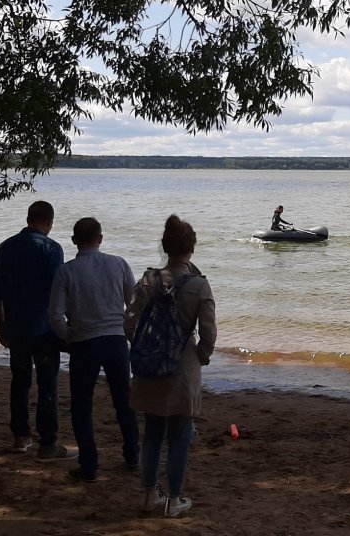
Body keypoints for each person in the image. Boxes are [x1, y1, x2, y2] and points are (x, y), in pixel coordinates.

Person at [125, 215, 216, 517]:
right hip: (183, 367)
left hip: (150, 366)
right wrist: (201, 355)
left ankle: (149, 495)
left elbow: (129, 323)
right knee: (180, 435)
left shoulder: (149, 280)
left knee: (152, 432)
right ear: (191, 249)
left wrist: (144, 348)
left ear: (165, 247)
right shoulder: (199, 286)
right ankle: (175, 499)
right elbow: (209, 333)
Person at [48, 217, 139, 482]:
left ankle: (89, 465)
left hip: (84, 342)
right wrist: (128, 331)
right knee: (124, 401)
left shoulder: (66, 271)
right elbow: (133, 305)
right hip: (114, 340)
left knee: (81, 405)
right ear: (100, 239)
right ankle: (132, 455)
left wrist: (68, 336)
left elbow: (54, 315)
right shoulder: (118, 264)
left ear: (74, 240)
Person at [0, 200, 75, 461]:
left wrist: (0, 326)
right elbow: (57, 292)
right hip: (44, 329)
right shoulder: (51, 249)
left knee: (20, 381)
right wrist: (70, 325)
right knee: (47, 384)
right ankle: (47, 443)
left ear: (28, 219)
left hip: (16, 328)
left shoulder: (3, 249)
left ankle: (20, 436)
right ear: (49, 221)